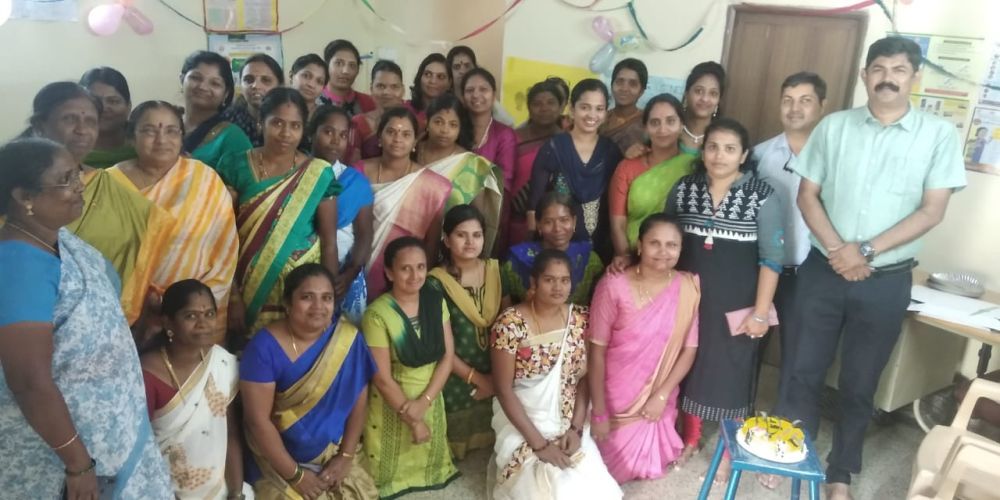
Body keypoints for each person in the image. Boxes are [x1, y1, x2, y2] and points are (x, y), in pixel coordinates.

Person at [775, 37, 967, 500]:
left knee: (860, 382)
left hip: (885, 280)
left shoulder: (938, 135)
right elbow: (807, 195)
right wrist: (838, 250)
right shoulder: (834, 127)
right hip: (823, 270)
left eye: (899, 70)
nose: (887, 78)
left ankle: (840, 473)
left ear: (914, 77)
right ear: (864, 75)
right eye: (878, 68)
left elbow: (932, 210)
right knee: (802, 369)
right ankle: (791, 454)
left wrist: (864, 250)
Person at [0, 137, 173, 498]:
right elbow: (29, 380)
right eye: (64, 180)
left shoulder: (58, 240)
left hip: (110, 439)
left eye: (76, 173)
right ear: (24, 196)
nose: (79, 185)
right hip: (61, 460)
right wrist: (78, 463)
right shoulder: (18, 266)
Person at [664, 118, 784, 481]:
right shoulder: (683, 189)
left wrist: (760, 313)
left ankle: (730, 451)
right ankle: (691, 439)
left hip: (739, 306)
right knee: (690, 370)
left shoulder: (763, 196)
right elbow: (666, 243)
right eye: (713, 147)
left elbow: (771, 259)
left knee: (733, 375)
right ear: (702, 152)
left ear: (743, 155)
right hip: (689, 302)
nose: (720, 155)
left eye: (730, 149)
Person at [23, 81, 172, 325]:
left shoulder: (107, 186)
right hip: (23, 314)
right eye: (70, 119)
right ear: (40, 125)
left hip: (97, 326)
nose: (82, 130)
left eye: (91, 122)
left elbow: (145, 227)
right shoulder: (15, 184)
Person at [490, 249, 623, 500]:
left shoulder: (581, 319)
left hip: (568, 418)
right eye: (549, 280)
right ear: (534, 282)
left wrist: (576, 429)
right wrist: (539, 445)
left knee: (594, 488)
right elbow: (503, 390)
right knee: (542, 487)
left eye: (564, 280)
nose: (558, 287)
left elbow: (583, 378)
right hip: (524, 418)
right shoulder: (510, 324)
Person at [242, 264, 377, 498]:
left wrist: (345, 457)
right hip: (279, 460)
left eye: (326, 298)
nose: (318, 307)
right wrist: (296, 476)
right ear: (287, 303)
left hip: (334, 451)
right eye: (307, 297)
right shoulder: (263, 348)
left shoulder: (347, 339)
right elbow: (257, 421)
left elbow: (359, 398)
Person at [109, 101, 239, 344]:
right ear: (131, 137)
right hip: (123, 313)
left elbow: (225, 251)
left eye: (171, 131)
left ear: (182, 137)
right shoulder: (108, 184)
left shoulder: (204, 179)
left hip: (195, 312)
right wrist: (141, 301)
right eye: (149, 130)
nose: (161, 140)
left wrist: (190, 305)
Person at [216, 88, 342, 335]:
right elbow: (221, 238)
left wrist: (328, 300)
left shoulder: (318, 173)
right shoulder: (235, 165)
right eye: (277, 123)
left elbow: (329, 243)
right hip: (246, 284)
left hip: (302, 288)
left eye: (295, 126)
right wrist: (232, 295)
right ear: (260, 123)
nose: (286, 133)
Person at [588, 214, 700, 482]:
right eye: (654, 243)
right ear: (639, 246)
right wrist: (599, 412)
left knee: (645, 467)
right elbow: (596, 353)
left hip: (657, 401)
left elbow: (689, 349)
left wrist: (661, 396)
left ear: (680, 249)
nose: (663, 252)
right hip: (615, 398)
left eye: (672, 245)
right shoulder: (612, 286)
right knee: (600, 475)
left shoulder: (687, 287)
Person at [362, 237, 459, 498]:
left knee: (431, 464)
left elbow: (448, 357)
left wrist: (424, 402)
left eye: (420, 267)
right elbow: (382, 379)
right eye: (405, 268)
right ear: (389, 272)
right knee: (385, 476)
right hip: (393, 400)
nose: (415, 276)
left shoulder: (435, 301)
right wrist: (413, 418)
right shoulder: (377, 314)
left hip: (430, 394)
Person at [752, 72, 827, 403]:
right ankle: (742, 419)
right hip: (762, 270)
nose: (794, 108)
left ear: (821, 106)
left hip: (809, 273)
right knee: (750, 347)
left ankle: (787, 420)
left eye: (805, 101)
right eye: (788, 100)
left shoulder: (832, 157)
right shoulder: (759, 155)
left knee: (799, 357)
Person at [140, 279, 246, 498]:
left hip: (218, 490)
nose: (203, 323)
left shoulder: (221, 363)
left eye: (209, 314)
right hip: (159, 490)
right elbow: (138, 449)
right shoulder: (147, 373)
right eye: (191, 316)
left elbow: (231, 434)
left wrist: (237, 493)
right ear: (168, 323)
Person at [427, 205, 508, 459]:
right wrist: (480, 380)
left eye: (477, 235)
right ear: (446, 239)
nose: (470, 242)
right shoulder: (435, 283)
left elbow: (509, 329)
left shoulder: (497, 272)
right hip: (455, 372)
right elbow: (440, 347)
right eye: (461, 235)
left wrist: (497, 379)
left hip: (498, 369)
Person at [527, 78, 623, 262]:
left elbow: (617, 205)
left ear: (605, 113)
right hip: (555, 248)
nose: (592, 115)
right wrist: (535, 245)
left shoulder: (611, 152)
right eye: (585, 107)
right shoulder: (553, 148)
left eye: (599, 109)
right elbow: (534, 205)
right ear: (572, 109)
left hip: (599, 248)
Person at [362, 107, 452, 299]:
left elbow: (432, 242)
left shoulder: (432, 185)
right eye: (391, 132)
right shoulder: (358, 172)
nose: (397, 139)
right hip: (356, 269)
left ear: (414, 142)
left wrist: (420, 282)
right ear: (379, 137)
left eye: (406, 134)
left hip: (405, 276)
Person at [608, 93, 696, 261]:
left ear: (681, 125)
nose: (662, 129)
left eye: (670, 121)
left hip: (678, 259)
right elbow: (617, 225)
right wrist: (627, 258)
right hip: (632, 257)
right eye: (655, 122)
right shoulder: (627, 167)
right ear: (646, 128)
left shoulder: (692, 168)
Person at [309, 104, 375, 324]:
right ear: (312, 133)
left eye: (343, 135)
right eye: (328, 132)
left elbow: (364, 234)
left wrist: (351, 272)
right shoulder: (296, 173)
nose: (335, 141)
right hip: (297, 271)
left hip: (342, 274)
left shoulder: (356, 182)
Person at [417, 93, 504, 252]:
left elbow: (477, 219)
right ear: (427, 122)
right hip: (405, 237)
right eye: (438, 122)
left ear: (460, 128)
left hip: (451, 247)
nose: (445, 130)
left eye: (453, 125)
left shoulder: (471, 165)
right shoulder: (410, 151)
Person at [503, 192, 603, 305]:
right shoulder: (516, 260)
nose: (557, 228)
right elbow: (505, 306)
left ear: (574, 222)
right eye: (548, 222)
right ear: (538, 225)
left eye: (564, 220)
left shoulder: (589, 260)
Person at [463, 68, 517, 245]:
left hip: (493, 214)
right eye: (470, 90)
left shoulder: (504, 134)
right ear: (462, 96)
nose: (476, 95)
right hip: (454, 211)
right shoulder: (455, 130)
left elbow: (504, 181)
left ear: (494, 95)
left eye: (483, 89)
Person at [509, 80, 565, 249]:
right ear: (529, 108)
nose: (544, 108)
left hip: (554, 224)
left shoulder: (567, 142)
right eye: (537, 104)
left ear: (561, 107)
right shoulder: (513, 138)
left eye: (551, 103)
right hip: (514, 219)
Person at [180, 50, 254, 168]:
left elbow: (248, 179)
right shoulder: (164, 122)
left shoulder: (232, 137)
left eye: (215, 83)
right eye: (196, 78)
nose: (203, 87)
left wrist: (197, 171)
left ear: (226, 94)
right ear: (182, 79)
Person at [350, 59, 408, 162]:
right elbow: (354, 164)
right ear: (371, 89)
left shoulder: (412, 122)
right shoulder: (358, 123)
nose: (387, 92)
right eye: (381, 86)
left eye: (394, 87)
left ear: (403, 90)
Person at [80, 66, 137, 168]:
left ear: (128, 106)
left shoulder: (146, 147)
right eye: (95, 101)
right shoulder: (64, 151)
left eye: (113, 101)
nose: (104, 108)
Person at [224, 53, 284, 147]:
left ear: (279, 86)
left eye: (266, 80)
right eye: (248, 80)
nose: (255, 86)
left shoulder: (290, 118)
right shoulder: (228, 119)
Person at [446, 45, 516, 126]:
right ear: (449, 72)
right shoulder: (445, 99)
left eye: (467, 66)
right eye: (457, 67)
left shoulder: (485, 99)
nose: (462, 71)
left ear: (475, 68)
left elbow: (509, 124)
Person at [600, 58, 648, 157]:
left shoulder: (647, 122)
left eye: (633, 84)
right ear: (612, 85)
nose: (624, 88)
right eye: (619, 82)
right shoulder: (600, 119)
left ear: (641, 91)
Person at [319, 39, 376, 118]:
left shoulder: (368, 103)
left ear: (357, 70)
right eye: (338, 63)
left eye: (352, 65)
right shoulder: (313, 99)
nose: (345, 71)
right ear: (326, 66)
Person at [679, 62, 726, 155]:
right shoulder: (669, 131)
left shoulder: (724, 138)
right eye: (699, 91)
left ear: (719, 100)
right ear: (686, 94)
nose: (705, 99)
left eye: (713, 93)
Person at [409, 53, 451, 118]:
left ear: (449, 83)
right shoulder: (405, 110)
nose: (433, 81)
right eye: (428, 74)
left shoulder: (454, 114)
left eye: (440, 76)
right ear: (420, 77)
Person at [289, 53, 329, 119]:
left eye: (319, 81)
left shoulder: (327, 117)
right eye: (306, 76)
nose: (311, 85)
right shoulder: (276, 109)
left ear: (323, 88)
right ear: (291, 76)